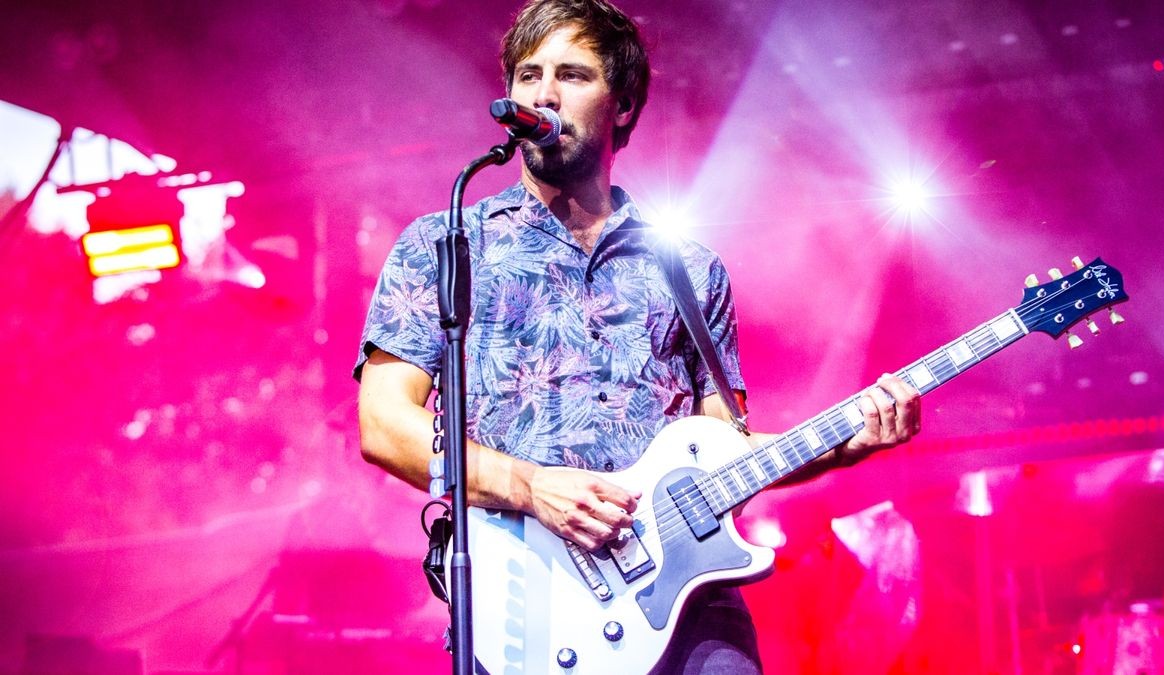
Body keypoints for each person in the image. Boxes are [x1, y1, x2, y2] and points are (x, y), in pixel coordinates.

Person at [354, 0, 922, 672]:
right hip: (523, 610)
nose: (542, 93)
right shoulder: (447, 244)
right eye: (528, 74)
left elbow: (726, 458)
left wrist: (847, 442)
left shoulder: (688, 269)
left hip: (685, 607)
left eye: (572, 74)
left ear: (621, 107)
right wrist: (532, 484)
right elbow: (383, 423)